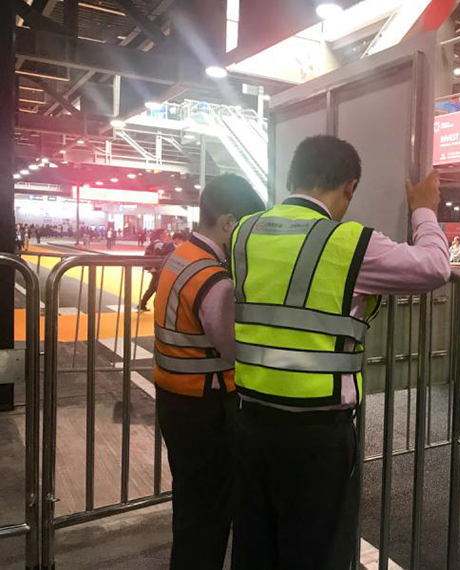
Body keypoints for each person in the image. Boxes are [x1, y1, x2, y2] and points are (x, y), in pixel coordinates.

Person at [230, 135, 449, 570]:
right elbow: (435, 266)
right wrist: (424, 209)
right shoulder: (350, 243)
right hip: (316, 436)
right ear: (350, 187)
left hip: (250, 423)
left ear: (290, 178)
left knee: (255, 551)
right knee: (316, 554)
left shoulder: (244, 232)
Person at [153, 174, 264, 570]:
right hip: (207, 409)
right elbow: (234, 349)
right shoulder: (213, 279)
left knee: (191, 509)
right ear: (229, 223)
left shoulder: (181, 255)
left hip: (175, 400)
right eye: (247, 228)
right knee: (209, 515)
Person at [138, 229, 172, 311]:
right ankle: (158, 307)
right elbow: (161, 255)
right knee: (157, 288)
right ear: (160, 235)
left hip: (153, 268)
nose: (167, 234)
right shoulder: (159, 244)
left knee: (153, 287)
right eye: (165, 233)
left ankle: (143, 304)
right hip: (157, 269)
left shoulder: (154, 242)